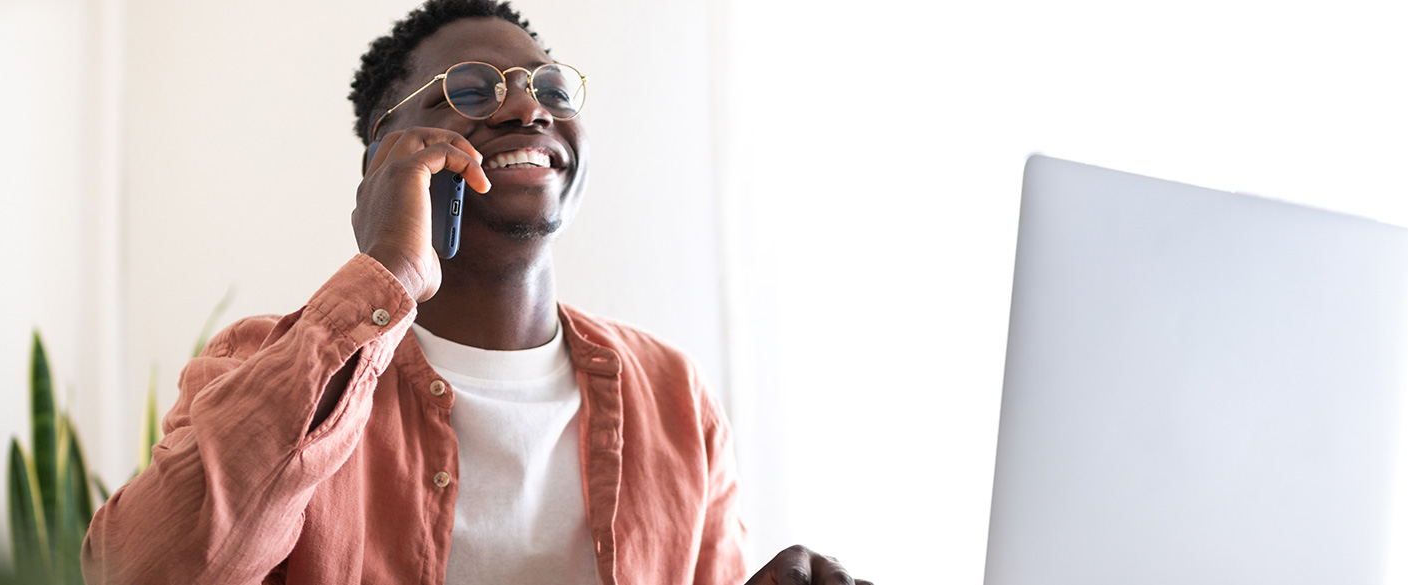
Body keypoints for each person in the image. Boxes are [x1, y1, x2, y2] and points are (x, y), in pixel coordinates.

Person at [82, 1, 867, 584]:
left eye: (550, 88)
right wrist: (390, 266)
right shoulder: (273, 365)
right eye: (470, 90)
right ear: (386, 161)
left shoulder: (672, 395)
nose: (529, 108)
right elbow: (142, 570)